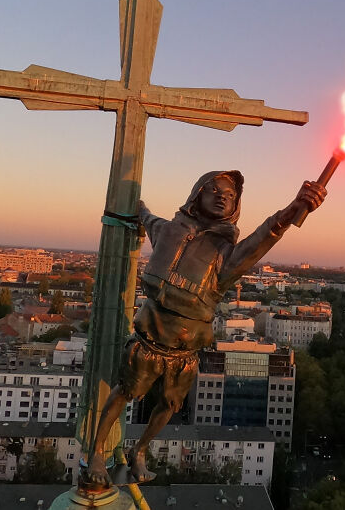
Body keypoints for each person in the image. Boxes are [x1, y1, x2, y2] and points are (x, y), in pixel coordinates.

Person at [84, 170, 326, 487]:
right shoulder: (170, 231)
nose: (222, 196)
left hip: (185, 351)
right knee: (125, 392)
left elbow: (265, 235)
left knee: (170, 404)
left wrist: (296, 207)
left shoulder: (226, 256)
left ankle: (139, 450)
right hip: (149, 339)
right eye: (214, 190)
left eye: (230, 194)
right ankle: (97, 452)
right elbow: (149, 219)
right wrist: (136, 205)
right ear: (197, 194)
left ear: (236, 205)